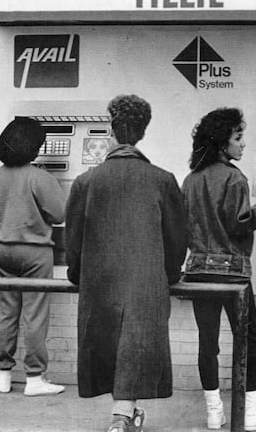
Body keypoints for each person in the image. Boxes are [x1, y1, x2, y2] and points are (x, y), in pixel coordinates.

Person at [65, 94, 187, 432]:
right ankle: (123, 416)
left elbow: (72, 241)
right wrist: (169, 275)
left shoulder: (86, 182)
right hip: (146, 283)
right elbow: (178, 239)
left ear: (110, 129)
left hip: (99, 282)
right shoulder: (163, 180)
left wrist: (78, 274)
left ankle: (122, 416)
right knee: (136, 346)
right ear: (144, 132)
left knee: (107, 346)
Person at [182, 108, 256, 431]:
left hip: (197, 271)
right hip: (232, 274)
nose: (242, 144)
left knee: (207, 342)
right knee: (248, 338)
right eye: (238, 138)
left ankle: (214, 411)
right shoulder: (235, 178)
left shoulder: (191, 179)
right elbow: (238, 226)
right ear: (223, 143)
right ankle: (249, 409)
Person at [0, 117, 66, 396]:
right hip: (34, 251)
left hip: (1, 250)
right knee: (35, 314)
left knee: (6, 312)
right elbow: (59, 214)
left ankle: (3, 376)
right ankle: (34, 379)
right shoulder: (40, 177)